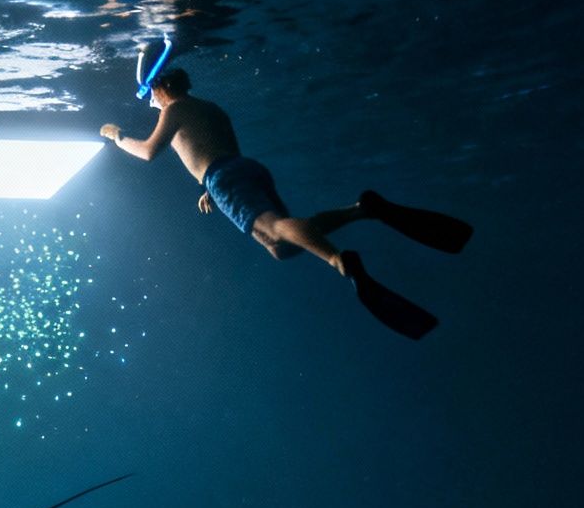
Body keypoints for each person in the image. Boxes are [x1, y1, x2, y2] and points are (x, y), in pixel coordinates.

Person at [99, 67, 471, 339]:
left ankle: (338, 260)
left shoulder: (174, 109)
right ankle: (363, 209)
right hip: (240, 170)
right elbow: (221, 148)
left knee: (276, 228)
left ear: (163, 87)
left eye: (152, 91)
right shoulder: (210, 107)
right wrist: (214, 188)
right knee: (282, 248)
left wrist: (118, 137)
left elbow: (149, 152)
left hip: (223, 176)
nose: (152, 99)